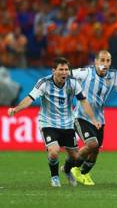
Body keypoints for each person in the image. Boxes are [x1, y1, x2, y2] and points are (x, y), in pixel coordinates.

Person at [7, 57, 100, 187]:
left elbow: (83, 101)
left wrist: (93, 119)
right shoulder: (44, 83)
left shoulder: (73, 83)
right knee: (54, 151)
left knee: (75, 157)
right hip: (48, 123)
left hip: (67, 124)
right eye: (61, 69)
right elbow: (30, 98)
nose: (64, 72)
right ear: (53, 71)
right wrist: (16, 110)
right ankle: (55, 176)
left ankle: (67, 170)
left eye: (66, 69)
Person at [70, 50, 117, 185]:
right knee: (92, 144)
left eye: (108, 61)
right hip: (81, 116)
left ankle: (84, 174)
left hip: (99, 119)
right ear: (96, 62)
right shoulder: (85, 72)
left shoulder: (113, 76)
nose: (105, 64)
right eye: (102, 60)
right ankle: (71, 167)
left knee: (96, 151)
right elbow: (66, 74)